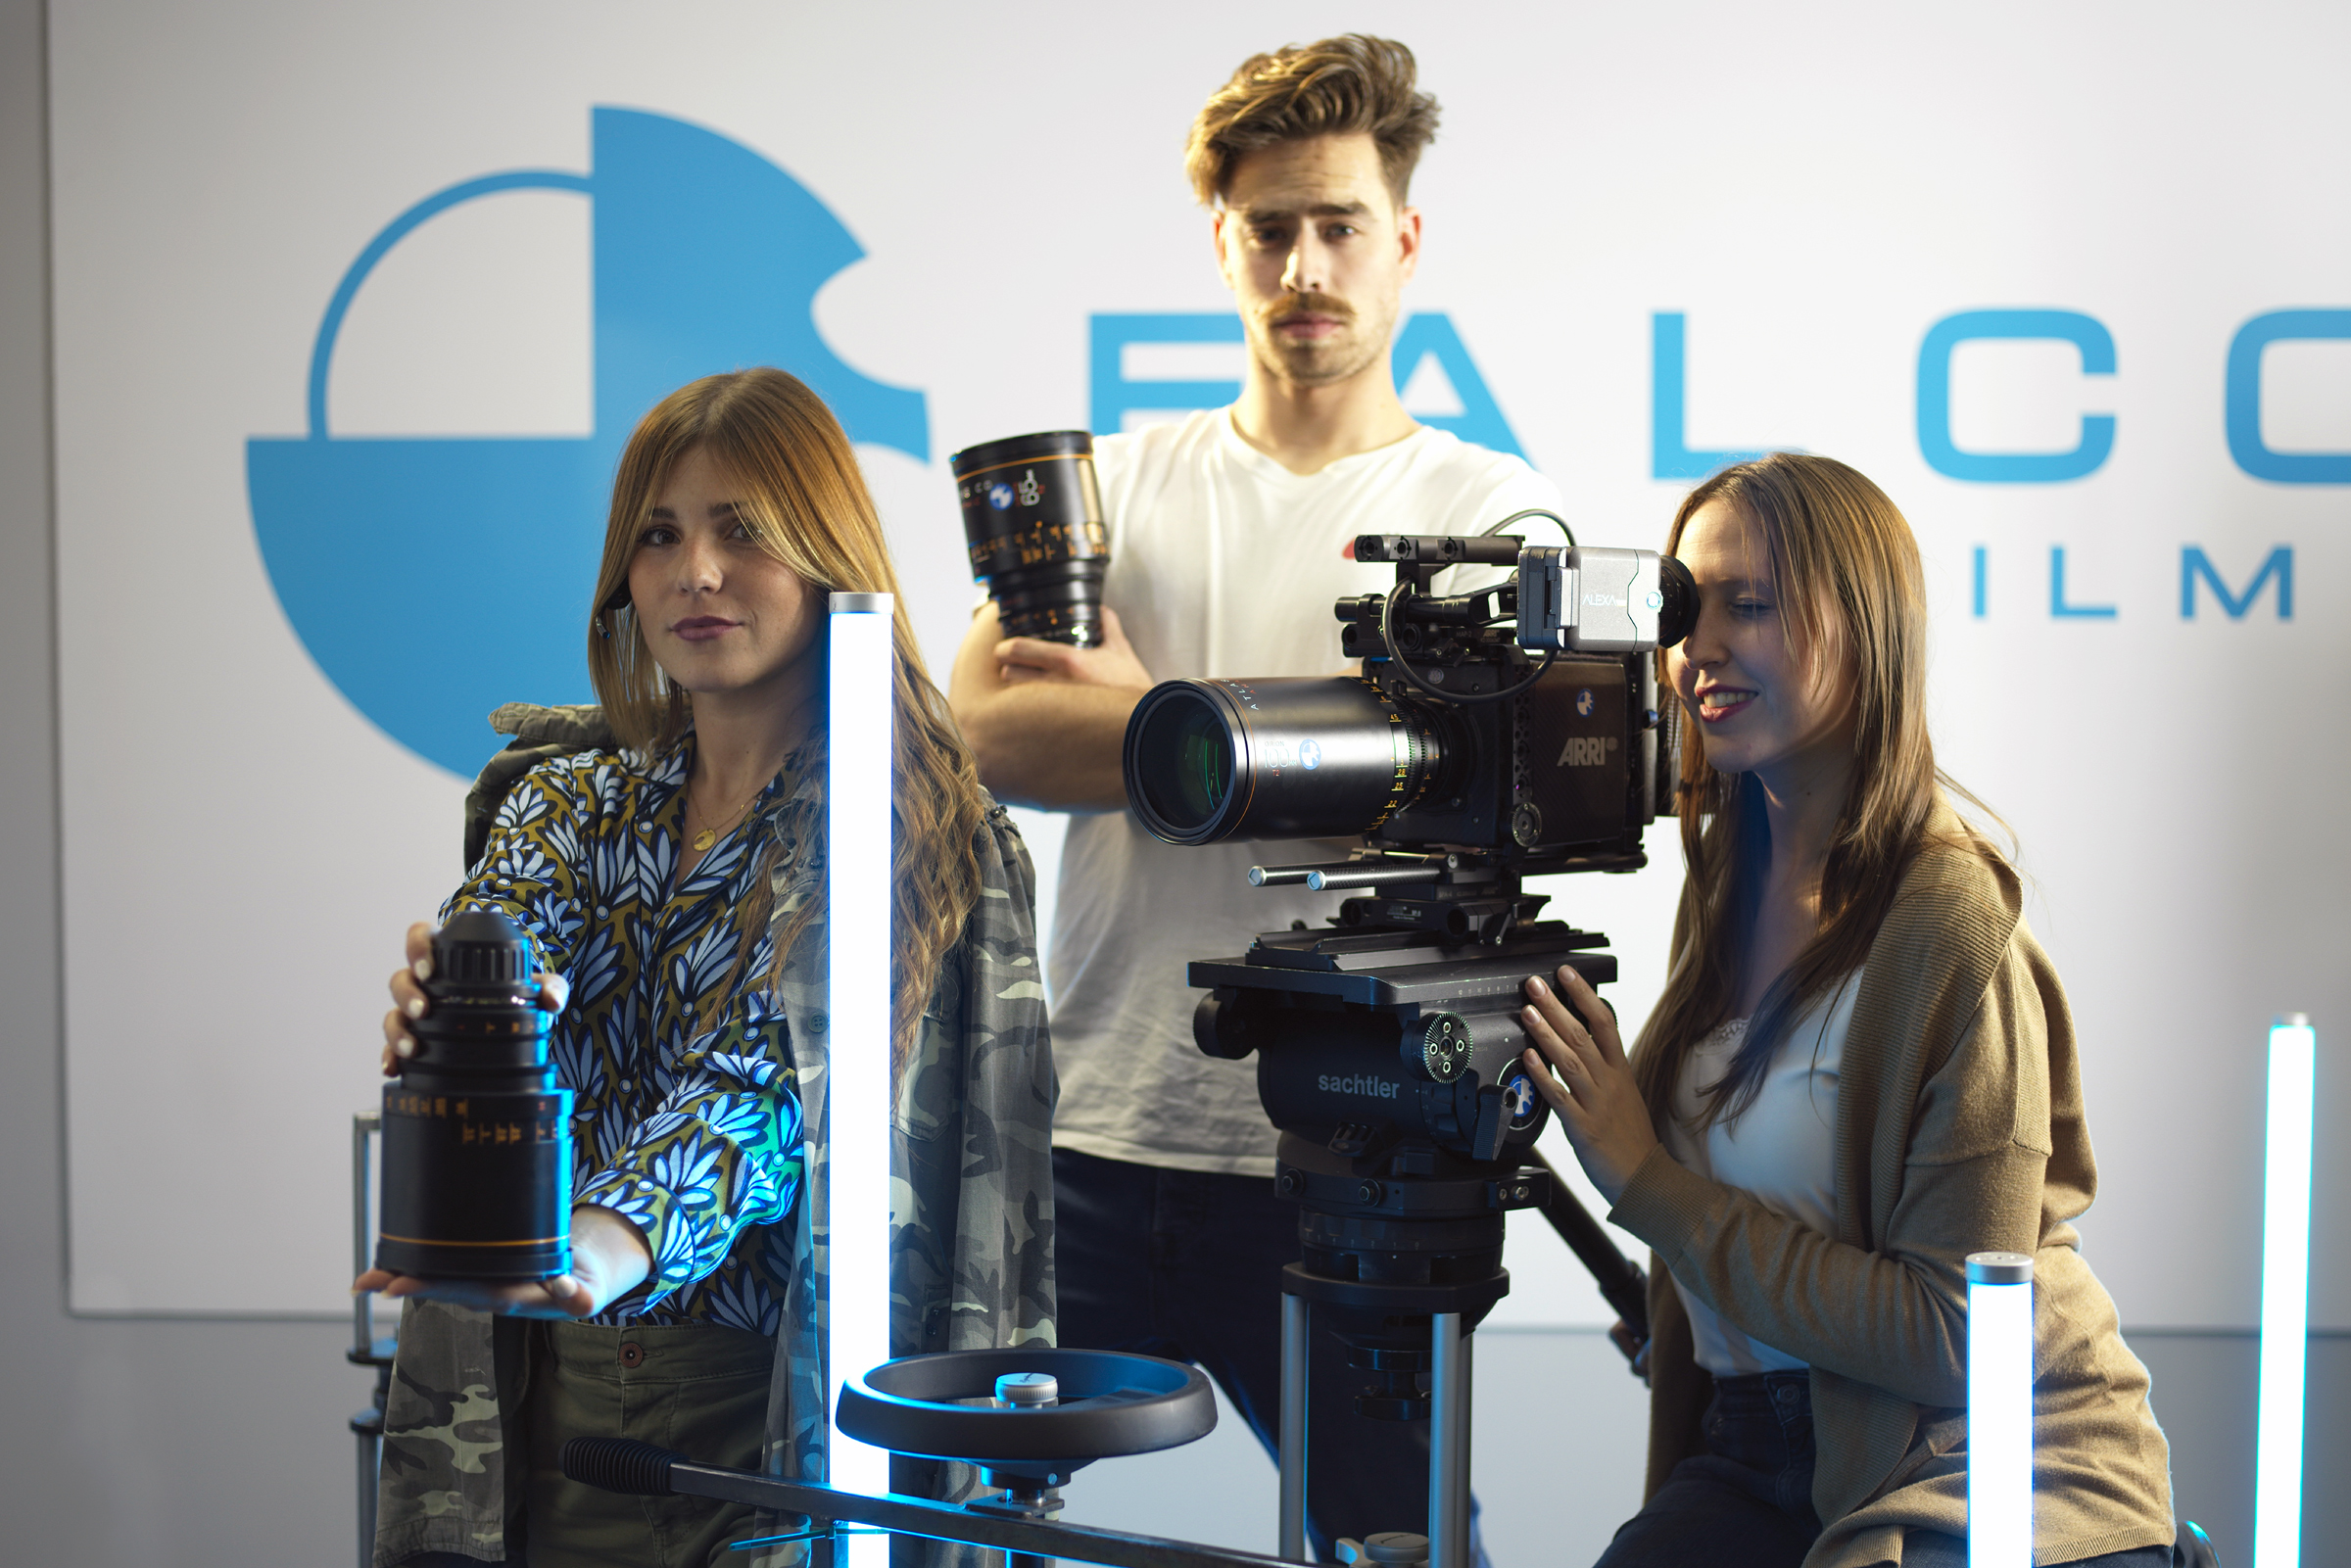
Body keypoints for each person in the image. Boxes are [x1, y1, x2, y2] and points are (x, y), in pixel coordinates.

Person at [948, 34, 1558, 1560]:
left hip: (1345, 1149)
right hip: (1088, 1132)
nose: (1305, 266)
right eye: (1269, 227)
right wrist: (1308, 748)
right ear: (1221, 242)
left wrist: (1144, 718)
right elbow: (988, 733)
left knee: (1405, 1546)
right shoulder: (1116, 481)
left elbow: (1461, 788)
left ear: (1404, 238)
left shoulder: (1484, 510)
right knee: (941, 1526)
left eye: (1339, 224)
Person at [359, 368, 1056, 1568]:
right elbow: (506, 938)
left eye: (743, 529)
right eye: (660, 535)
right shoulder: (571, 803)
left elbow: (767, 1094)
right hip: (549, 1407)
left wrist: (596, 1246)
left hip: (782, 1428)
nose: (697, 572)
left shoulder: (901, 829)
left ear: (825, 551)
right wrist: (461, 1013)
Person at [1515, 452, 2175, 1568]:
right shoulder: (1727, 877)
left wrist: (1648, 1183)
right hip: (1751, 1445)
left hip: (1981, 1458)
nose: (1698, 647)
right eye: (1684, 609)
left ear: (1865, 630)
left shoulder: (1952, 925)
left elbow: (1958, 1333)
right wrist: (1705, 1315)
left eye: (1750, 606)